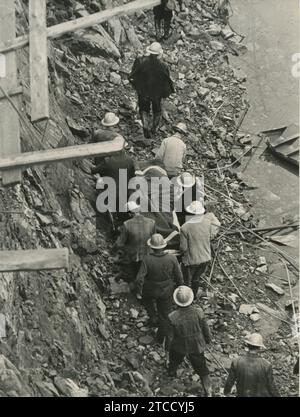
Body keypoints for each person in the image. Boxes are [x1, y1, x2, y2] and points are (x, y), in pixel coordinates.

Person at [135, 234, 183, 343]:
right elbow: (178, 275)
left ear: (152, 247)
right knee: (165, 314)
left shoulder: (147, 259)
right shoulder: (172, 258)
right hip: (166, 290)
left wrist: (139, 292)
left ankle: (152, 317)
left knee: (147, 301)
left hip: (151, 289)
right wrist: (180, 287)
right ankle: (161, 337)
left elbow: (139, 278)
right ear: (163, 246)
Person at [167, 286, 212, 397]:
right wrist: (207, 339)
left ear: (176, 301)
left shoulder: (172, 317)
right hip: (196, 345)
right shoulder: (198, 312)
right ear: (191, 299)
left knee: (174, 359)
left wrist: (166, 349)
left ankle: (171, 372)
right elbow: (205, 328)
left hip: (179, 345)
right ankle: (208, 391)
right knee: (202, 369)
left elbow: (169, 337)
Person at [129, 42, 174, 139]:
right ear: (159, 54)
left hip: (143, 91)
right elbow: (167, 81)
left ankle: (145, 126)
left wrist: (137, 86)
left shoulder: (140, 61)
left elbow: (133, 75)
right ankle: (154, 128)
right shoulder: (163, 66)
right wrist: (165, 93)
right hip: (156, 93)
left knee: (144, 109)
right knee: (157, 110)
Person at [180, 201, 220, 297]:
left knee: (186, 277)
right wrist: (211, 236)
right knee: (196, 278)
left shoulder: (185, 227)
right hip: (206, 257)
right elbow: (217, 224)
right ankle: (194, 295)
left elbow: (183, 248)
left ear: (191, 212)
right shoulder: (208, 222)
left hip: (192, 260)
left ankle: (186, 296)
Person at [224, 333, 280, 397]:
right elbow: (271, 387)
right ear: (260, 347)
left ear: (248, 345)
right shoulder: (266, 365)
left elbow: (229, 382)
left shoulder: (236, 362)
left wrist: (227, 392)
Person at [114, 202, 156, 281]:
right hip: (149, 257)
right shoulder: (152, 222)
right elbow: (154, 241)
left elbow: (119, 244)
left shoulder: (126, 224)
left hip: (133, 259)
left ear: (129, 214)